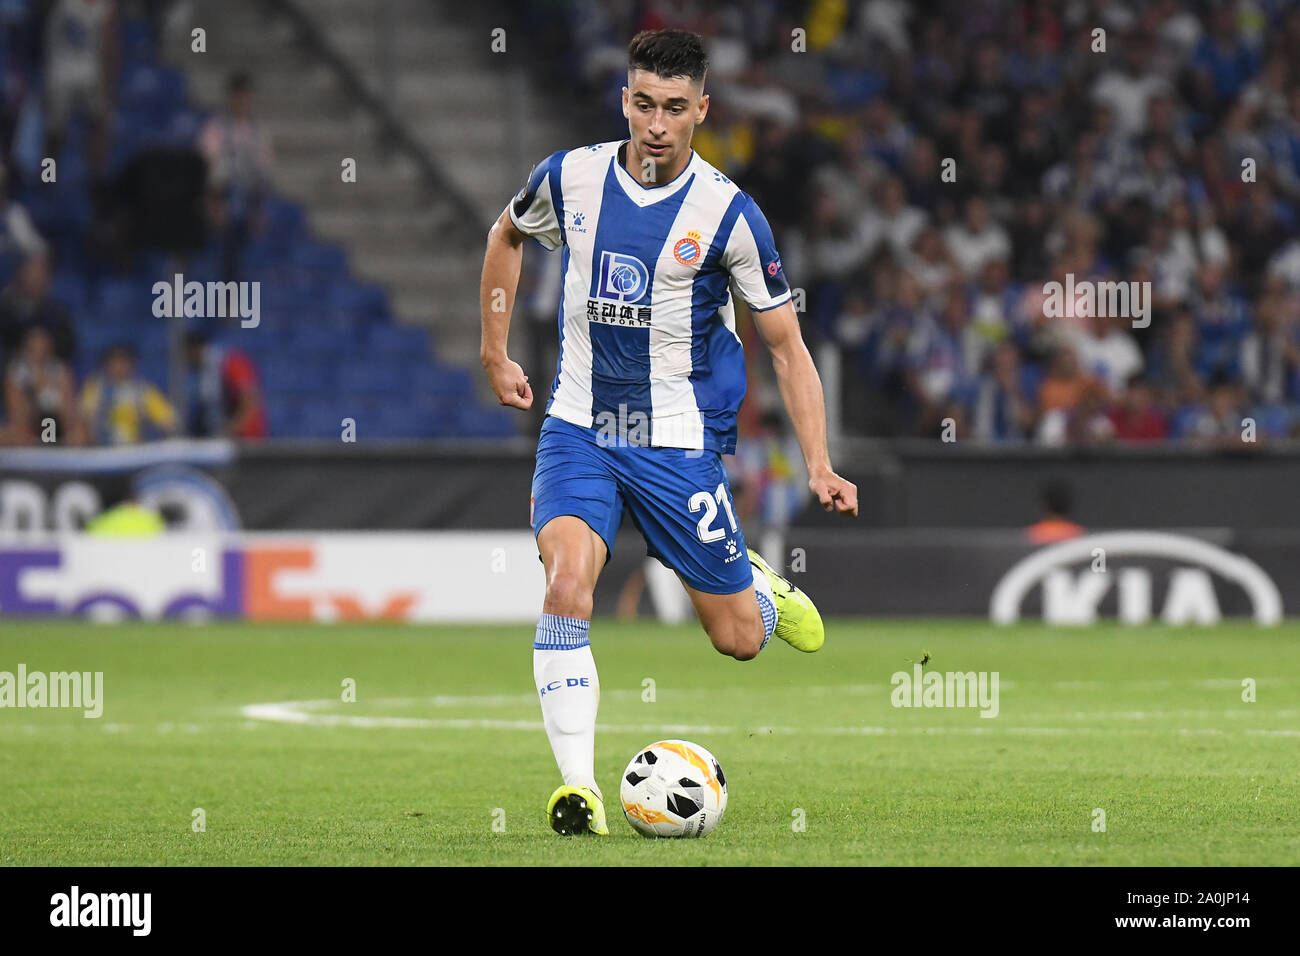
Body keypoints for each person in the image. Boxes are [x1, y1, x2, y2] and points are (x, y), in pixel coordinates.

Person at [479, 29, 858, 837]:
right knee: (566, 583)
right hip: (578, 424)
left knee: (739, 641)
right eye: (643, 104)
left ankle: (753, 586)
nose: (656, 124)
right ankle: (577, 790)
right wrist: (494, 349)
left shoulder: (730, 216)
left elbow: (787, 347)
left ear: (703, 111)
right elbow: (506, 235)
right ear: (625, 100)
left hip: (676, 440)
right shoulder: (570, 176)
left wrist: (819, 463)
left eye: (675, 109)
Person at [80, 343, 177, 444]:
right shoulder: (96, 388)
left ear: (131, 364)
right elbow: (83, 418)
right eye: (115, 362)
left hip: (134, 452)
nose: (119, 367)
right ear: (107, 364)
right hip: (103, 451)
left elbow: (169, 420)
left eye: (123, 362)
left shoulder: (143, 391)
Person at [182, 329, 267, 438]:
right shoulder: (204, 375)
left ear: (193, 351)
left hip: (246, 441)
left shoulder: (231, 363)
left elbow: (250, 400)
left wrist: (232, 429)